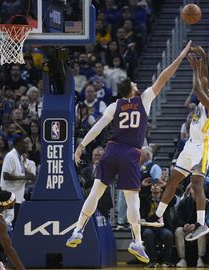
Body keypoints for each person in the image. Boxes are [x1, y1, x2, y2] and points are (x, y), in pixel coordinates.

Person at [65, 41, 192, 263]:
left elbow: (98, 128)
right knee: (132, 201)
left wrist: (82, 145)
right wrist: (180, 57)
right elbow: (164, 76)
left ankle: (78, 230)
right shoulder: (144, 100)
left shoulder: (115, 105)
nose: (137, 84)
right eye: (134, 83)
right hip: (130, 154)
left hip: (111, 150)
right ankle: (137, 242)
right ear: (132, 89)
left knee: (95, 193)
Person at [139, 46, 209, 242]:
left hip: (202, 148)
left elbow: (198, 88)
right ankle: (158, 216)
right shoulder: (208, 98)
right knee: (172, 181)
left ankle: (201, 223)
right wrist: (203, 60)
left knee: (196, 185)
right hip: (189, 145)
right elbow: (204, 81)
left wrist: (195, 68)